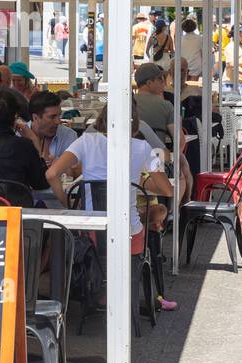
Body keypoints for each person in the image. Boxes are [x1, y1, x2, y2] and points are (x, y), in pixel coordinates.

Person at [45, 99, 177, 310]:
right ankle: (133, 297)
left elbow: (52, 173)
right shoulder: (143, 147)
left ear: (103, 119)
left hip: (92, 231)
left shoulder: (86, 141)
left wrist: (67, 205)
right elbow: (167, 190)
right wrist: (140, 181)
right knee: (146, 225)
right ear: (134, 124)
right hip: (128, 232)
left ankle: (100, 295)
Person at [24, 90, 77, 164]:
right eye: (52, 117)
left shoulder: (68, 135)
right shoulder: (19, 136)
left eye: (59, 115)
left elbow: (75, 170)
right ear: (35, 117)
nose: (58, 122)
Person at [134, 62, 175, 148]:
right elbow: (179, 141)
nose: (163, 83)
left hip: (131, 156)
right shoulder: (166, 105)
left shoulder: (127, 104)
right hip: (157, 157)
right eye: (160, 80)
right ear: (149, 83)